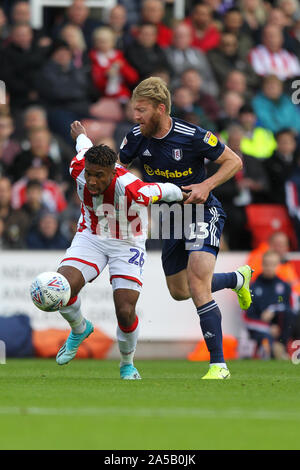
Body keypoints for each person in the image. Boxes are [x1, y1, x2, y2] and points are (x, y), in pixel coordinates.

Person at [119, 76, 254, 379]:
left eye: (141, 110)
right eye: (134, 110)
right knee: (180, 291)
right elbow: (118, 171)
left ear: (161, 108)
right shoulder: (136, 137)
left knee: (196, 283)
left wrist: (206, 184)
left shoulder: (192, 135)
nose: (135, 116)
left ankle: (218, 366)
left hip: (202, 212)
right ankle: (236, 278)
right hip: (171, 221)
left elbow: (234, 161)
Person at [54, 120, 187, 380]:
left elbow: (165, 190)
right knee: (61, 288)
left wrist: (188, 193)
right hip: (91, 235)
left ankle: (127, 363)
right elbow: (84, 146)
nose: (91, 181)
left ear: (112, 173)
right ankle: (80, 329)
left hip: (127, 243)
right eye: (89, 174)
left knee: (125, 310)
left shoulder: (132, 188)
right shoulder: (79, 167)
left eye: (98, 176)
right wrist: (81, 134)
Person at [244, 250, 296, 359]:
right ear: (262, 265)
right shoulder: (252, 287)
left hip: (281, 330)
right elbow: (247, 318)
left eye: (273, 264)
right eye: (267, 264)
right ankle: (275, 352)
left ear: (278, 266)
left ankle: (284, 348)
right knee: (266, 341)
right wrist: (268, 328)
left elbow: (290, 308)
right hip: (260, 330)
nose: (269, 267)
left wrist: (273, 310)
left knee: (290, 317)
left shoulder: (284, 286)